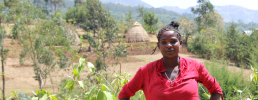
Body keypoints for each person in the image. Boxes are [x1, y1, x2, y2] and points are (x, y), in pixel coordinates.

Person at [118, 21, 223, 100]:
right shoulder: (146, 71)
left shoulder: (195, 66)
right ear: (158, 46)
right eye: (164, 42)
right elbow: (124, 94)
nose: (168, 45)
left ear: (180, 43)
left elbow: (216, 90)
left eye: (173, 41)